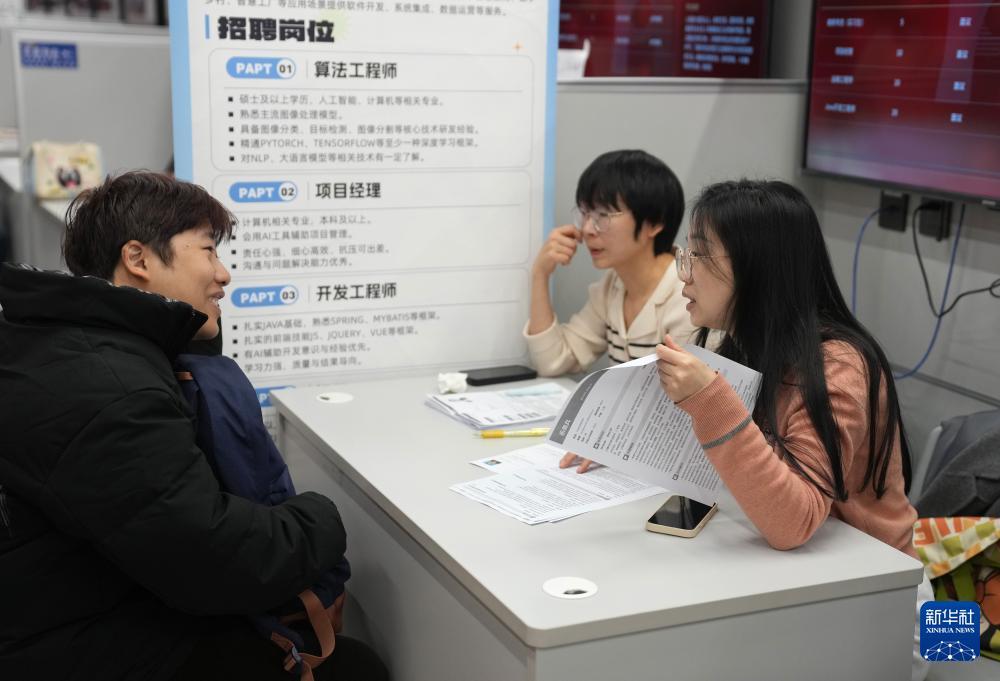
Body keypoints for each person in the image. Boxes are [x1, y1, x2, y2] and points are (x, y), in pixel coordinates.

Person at [0, 171, 385, 681]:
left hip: (84, 605)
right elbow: (213, 561)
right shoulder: (112, 388)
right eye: (207, 250)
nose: (223, 274)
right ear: (138, 259)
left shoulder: (83, 345)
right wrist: (323, 518)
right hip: (72, 643)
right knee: (357, 669)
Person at [562, 179, 930, 679]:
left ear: (758, 268)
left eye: (698, 256)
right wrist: (622, 441)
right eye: (686, 253)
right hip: (805, 582)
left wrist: (711, 401)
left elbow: (793, 523)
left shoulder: (838, 364)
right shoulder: (745, 344)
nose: (684, 273)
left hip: (881, 602)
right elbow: (722, 456)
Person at [525, 149, 695, 376]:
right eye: (585, 214)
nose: (587, 229)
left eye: (603, 215)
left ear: (654, 223)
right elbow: (553, 361)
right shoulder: (612, 287)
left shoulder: (688, 295)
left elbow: (689, 390)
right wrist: (540, 274)